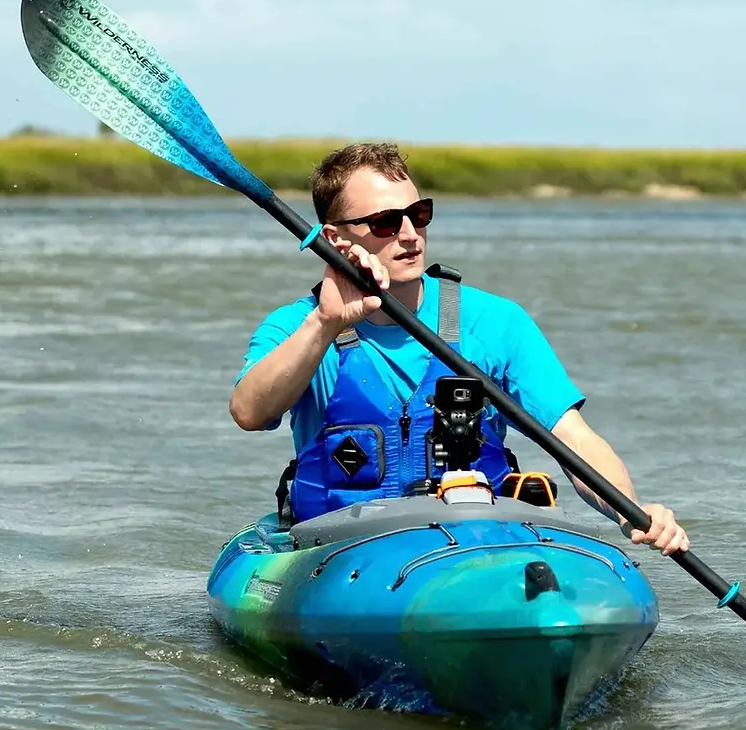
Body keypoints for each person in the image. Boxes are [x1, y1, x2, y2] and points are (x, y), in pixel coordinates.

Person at [230, 143, 689, 555]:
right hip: (340, 553)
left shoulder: (494, 322)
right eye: (386, 222)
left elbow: (575, 439)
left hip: (473, 544)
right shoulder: (297, 326)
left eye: (420, 214)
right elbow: (249, 412)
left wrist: (630, 511)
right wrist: (325, 324)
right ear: (335, 239)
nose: (410, 234)